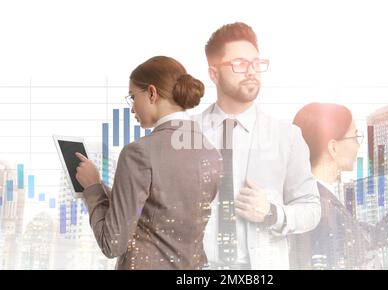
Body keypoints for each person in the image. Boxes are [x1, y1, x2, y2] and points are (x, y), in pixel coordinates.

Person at [74, 56, 223, 270]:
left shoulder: (139, 153)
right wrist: (107, 190)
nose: (132, 108)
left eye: (133, 97)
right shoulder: (212, 154)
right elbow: (159, 211)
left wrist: (93, 188)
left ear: (151, 93)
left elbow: (112, 243)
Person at [196, 22, 321, 270]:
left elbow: (311, 208)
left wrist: (272, 213)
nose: (251, 71)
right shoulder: (186, 133)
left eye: (256, 64)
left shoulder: (287, 137)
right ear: (213, 74)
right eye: (239, 64)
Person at [290, 103, 388, 269]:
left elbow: (374, 237)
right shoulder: (318, 207)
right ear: (333, 147)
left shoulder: (323, 201)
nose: (358, 145)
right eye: (355, 137)